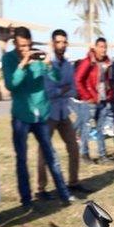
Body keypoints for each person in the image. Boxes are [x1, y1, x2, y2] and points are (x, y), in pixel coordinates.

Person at [1, 27, 72, 207]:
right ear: (15, 44)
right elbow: (12, 85)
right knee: (22, 159)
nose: (26, 49)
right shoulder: (8, 59)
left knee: (52, 156)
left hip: (41, 114)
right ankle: (26, 199)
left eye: (29, 45)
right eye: (22, 46)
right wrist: (23, 65)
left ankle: (64, 194)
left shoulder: (38, 57)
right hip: (21, 115)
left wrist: (49, 65)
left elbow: (55, 78)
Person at [37, 29, 89, 197]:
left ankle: (73, 182)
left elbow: (73, 90)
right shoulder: (46, 64)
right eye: (58, 42)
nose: (62, 45)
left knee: (74, 147)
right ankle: (41, 189)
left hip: (63, 112)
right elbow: (48, 91)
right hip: (48, 113)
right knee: (44, 152)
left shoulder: (67, 64)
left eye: (64, 42)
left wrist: (62, 90)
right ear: (53, 44)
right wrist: (63, 89)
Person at [74, 37, 114, 164]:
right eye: (101, 47)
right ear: (95, 47)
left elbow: (109, 81)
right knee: (86, 128)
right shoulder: (88, 62)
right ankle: (84, 155)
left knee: (100, 129)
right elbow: (78, 80)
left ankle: (103, 156)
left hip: (103, 100)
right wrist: (87, 97)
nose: (103, 50)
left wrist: (110, 94)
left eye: (105, 47)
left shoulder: (107, 62)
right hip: (90, 101)